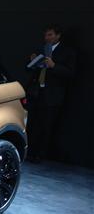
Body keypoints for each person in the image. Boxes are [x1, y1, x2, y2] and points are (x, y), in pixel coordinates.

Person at [26, 24, 76, 163]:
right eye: (46, 35)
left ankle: (40, 155)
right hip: (36, 92)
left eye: (50, 35)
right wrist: (32, 62)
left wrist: (54, 66)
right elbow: (28, 70)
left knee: (46, 126)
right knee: (32, 124)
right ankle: (29, 151)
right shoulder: (41, 49)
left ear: (58, 35)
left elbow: (71, 73)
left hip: (53, 95)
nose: (47, 38)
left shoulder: (67, 52)